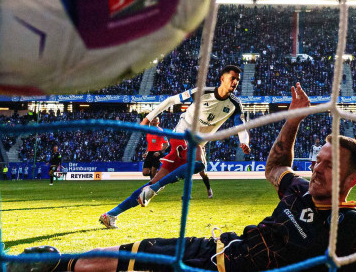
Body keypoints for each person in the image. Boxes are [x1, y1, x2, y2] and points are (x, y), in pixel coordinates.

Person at [0, 83, 356, 272]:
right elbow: (275, 167)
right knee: (119, 254)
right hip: (217, 247)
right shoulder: (300, 191)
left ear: (351, 181)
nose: (317, 168)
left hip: (225, 270)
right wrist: (292, 120)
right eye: (318, 160)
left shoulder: (351, 227)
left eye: (329, 166)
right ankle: (23, 263)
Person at [100, 66, 250, 229]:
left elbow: (241, 126)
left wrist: (245, 141)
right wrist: (148, 118)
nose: (235, 82)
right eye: (232, 78)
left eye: (237, 80)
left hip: (194, 143)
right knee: (200, 164)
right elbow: (171, 101)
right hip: (181, 135)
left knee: (153, 183)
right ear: (222, 78)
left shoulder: (235, 104)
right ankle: (154, 188)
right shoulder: (201, 92)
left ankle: (111, 214)